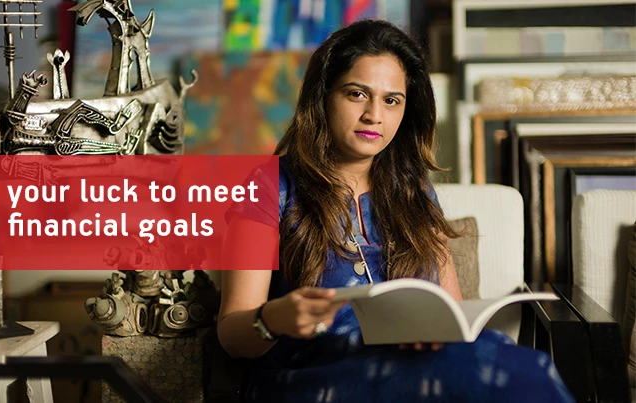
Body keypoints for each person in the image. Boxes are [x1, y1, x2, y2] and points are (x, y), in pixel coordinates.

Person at [217, 19, 575, 402]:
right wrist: (274, 319)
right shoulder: (269, 185)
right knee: (493, 376)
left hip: (416, 368)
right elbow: (231, 334)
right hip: (314, 376)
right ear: (322, 96)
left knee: (524, 364)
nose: (374, 114)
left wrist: (437, 334)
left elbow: (453, 314)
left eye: (391, 100)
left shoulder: (414, 190)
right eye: (357, 94)